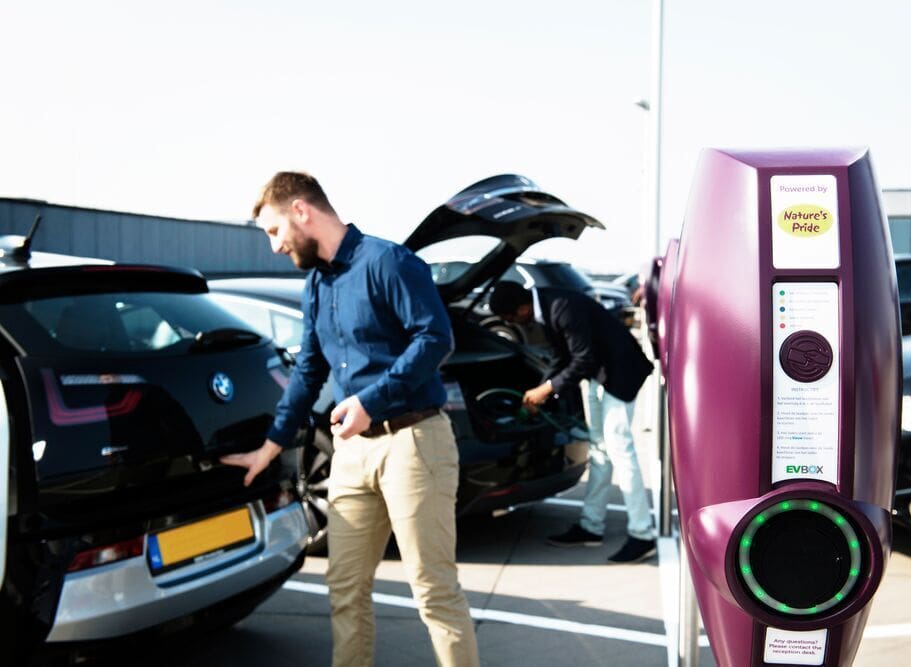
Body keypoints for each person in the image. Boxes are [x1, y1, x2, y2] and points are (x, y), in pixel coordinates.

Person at [221, 172, 479, 667]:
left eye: (274, 232)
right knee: (343, 588)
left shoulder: (388, 261)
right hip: (352, 453)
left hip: (414, 443)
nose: (274, 247)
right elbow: (309, 370)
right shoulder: (317, 284)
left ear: (302, 211)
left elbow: (435, 339)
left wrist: (370, 401)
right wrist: (271, 445)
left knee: (433, 591)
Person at [488, 280, 656, 563]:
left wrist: (547, 390)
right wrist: (540, 391)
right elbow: (561, 356)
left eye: (510, 318)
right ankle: (592, 527)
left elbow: (583, 359)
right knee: (600, 451)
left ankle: (642, 535)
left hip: (621, 374)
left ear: (522, 307)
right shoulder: (546, 306)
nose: (511, 323)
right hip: (601, 375)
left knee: (620, 451)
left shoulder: (561, 306)